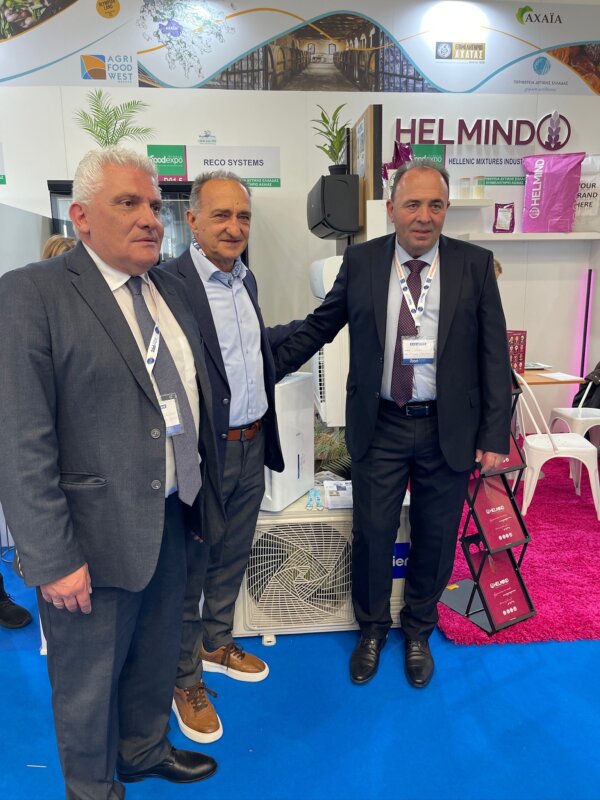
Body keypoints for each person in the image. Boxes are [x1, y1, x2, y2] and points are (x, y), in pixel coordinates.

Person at [0, 147, 225, 799]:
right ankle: (93, 787)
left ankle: (143, 749)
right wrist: (51, 557)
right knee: (88, 680)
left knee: (154, 654)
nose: (150, 217)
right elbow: (20, 438)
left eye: (154, 204)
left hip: (173, 515)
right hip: (89, 537)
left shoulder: (168, 291)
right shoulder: (32, 293)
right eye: (128, 203)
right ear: (81, 217)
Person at [273, 160, 512, 689]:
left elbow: (494, 355)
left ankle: (419, 630)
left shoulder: (474, 265)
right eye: (413, 204)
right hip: (381, 424)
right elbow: (319, 327)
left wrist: (495, 434)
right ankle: (372, 630)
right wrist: (264, 366)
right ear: (391, 209)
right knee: (374, 533)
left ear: (446, 209)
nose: (424, 216)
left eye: (435, 205)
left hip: (447, 427)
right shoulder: (361, 262)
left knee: (436, 536)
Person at [162, 171, 296, 743]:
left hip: (252, 443)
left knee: (233, 555)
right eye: (221, 215)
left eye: (243, 217)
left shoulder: (246, 280)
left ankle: (216, 643)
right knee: (190, 568)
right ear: (192, 220)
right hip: (202, 454)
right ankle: (183, 679)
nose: (234, 227)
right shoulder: (167, 284)